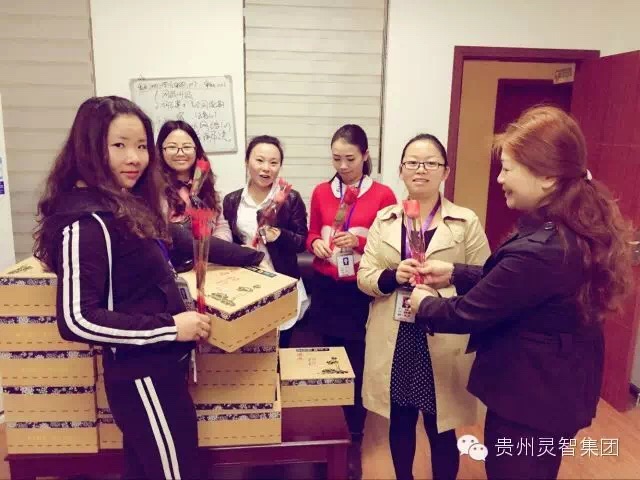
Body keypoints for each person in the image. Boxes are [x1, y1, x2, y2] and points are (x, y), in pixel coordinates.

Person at [409, 106, 634, 480]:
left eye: (507, 169)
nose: (500, 179)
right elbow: (515, 286)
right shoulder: (565, 227)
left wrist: (423, 303)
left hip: (531, 400)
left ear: (547, 177)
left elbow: (467, 312)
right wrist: (454, 272)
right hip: (553, 393)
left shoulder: (542, 248)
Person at [33, 96, 210, 479]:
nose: (134, 158)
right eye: (119, 145)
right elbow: (76, 319)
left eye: (142, 146)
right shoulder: (85, 222)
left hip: (160, 372)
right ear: (90, 148)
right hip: (143, 377)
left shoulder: (121, 206)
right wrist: (170, 328)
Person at [358, 134, 490, 480]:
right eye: (413, 163)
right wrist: (393, 275)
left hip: (442, 331)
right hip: (396, 332)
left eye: (431, 163)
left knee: (440, 423)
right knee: (400, 419)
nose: (421, 170)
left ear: (445, 171)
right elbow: (364, 276)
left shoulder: (465, 221)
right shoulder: (385, 219)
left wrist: (445, 278)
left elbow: (486, 279)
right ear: (401, 170)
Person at [305, 124, 396, 476]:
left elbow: (390, 244)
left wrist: (358, 242)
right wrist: (315, 243)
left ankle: (353, 440)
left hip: (360, 291)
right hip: (327, 289)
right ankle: (326, 436)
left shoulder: (383, 195)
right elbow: (313, 232)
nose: (343, 166)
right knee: (327, 364)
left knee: (356, 365)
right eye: (336, 159)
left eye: (350, 159)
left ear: (365, 155)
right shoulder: (321, 192)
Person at [223, 135, 309, 347]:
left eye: (273, 162)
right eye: (259, 160)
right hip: (248, 286)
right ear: (247, 162)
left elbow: (302, 242)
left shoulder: (291, 198)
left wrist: (279, 235)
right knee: (253, 349)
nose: (266, 168)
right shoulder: (232, 200)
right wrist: (239, 251)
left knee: (281, 347)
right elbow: (227, 242)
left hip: (283, 283)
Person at [157, 120, 264, 271]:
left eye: (187, 147)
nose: (180, 153)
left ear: (196, 150)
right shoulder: (154, 190)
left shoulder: (205, 186)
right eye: (172, 147)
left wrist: (214, 250)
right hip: (172, 271)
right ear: (161, 151)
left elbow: (221, 225)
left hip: (209, 266)